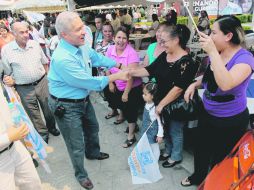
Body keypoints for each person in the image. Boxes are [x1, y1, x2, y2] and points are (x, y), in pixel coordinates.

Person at [47, 11, 129, 190]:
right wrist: (118, 76)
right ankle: (81, 175)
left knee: (93, 128)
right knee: (75, 144)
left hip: (82, 99)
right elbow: (89, 82)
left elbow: (97, 57)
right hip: (66, 105)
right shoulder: (62, 58)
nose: (84, 31)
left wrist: (118, 64)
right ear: (64, 35)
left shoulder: (81, 45)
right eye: (78, 29)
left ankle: (93, 153)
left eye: (82, 26)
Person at [181, 15, 254, 187]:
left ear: (228, 36)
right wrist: (194, 84)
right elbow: (209, 79)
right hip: (207, 112)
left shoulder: (245, 59)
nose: (209, 35)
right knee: (201, 149)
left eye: (214, 32)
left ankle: (214, 183)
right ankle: (198, 176)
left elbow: (226, 83)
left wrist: (212, 52)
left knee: (221, 157)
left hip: (230, 119)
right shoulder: (219, 53)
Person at [128, 24, 198, 166]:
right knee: (164, 127)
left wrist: (161, 105)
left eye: (164, 41)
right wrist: (131, 72)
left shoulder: (186, 61)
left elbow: (178, 88)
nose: (161, 44)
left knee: (175, 130)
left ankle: (176, 156)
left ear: (176, 40)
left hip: (176, 104)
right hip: (162, 100)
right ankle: (167, 150)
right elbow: (149, 70)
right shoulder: (165, 55)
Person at [1, 22, 59, 144]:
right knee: (34, 114)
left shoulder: (35, 44)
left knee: (48, 108)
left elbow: (44, 62)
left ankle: (52, 127)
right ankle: (42, 133)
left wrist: (48, 77)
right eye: (22, 32)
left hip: (42, 82)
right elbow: (7, 73)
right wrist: (11, 82)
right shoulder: (7, 50)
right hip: (24, 88)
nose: (26, 35)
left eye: (27, 31)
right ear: (13, 34)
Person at [104, 26, 143, 148]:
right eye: (119, 37)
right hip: (116, 82)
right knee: (120, 105)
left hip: (131, 87)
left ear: (128, 40)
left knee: (130, 111)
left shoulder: (131, 53)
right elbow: (107, 66)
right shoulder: (110, 49)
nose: (121, 40)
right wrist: (110, 82)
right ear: (114, 38)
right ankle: (133, 125)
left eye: (124, 38)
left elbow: (131, 75)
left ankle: (131, 136)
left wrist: (126, 93)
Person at [0, 84, 42, 190]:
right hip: (2, 158)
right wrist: (8, 137)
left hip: (15, 147)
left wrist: (12, 100)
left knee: (33, 183)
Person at [141, 82, 163, 162]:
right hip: (145, 130)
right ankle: (147, 160)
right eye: (143, 93)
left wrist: (160, 135)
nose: (143, 95)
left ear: (152, 96)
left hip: (152, 132)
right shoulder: (147, 104)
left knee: (154, 147)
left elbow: (160, 123)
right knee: (146, 145)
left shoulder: (155, 109)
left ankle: (154, 162)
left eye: (145, 94)